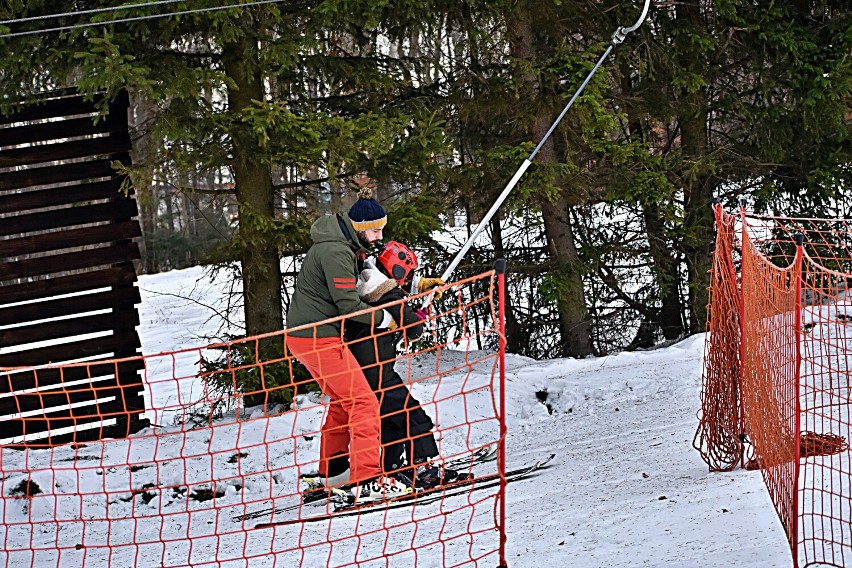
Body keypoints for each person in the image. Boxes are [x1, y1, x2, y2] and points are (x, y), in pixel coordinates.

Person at [285, 187, 411, 504]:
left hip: (307, 337)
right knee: (364, 403)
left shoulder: (343, 247)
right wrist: (386, 320)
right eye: (376, 229)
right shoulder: (335, 252)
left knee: (343, 403)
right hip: (317, 338)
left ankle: (332, 475)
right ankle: (367, 478)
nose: (380, 234)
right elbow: (349, 307)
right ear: (359, 227)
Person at [345, 241, 464, 489]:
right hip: (379, 372)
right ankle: (421, 465)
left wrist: (417, 296)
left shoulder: (367, 280)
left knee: (392, 420)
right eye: (406, 273)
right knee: (413, 415)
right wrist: (419, 314)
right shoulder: (389, 293)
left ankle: (393, 469)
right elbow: (415, 331)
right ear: (397, 270)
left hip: (364, 371)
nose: (405, 279)